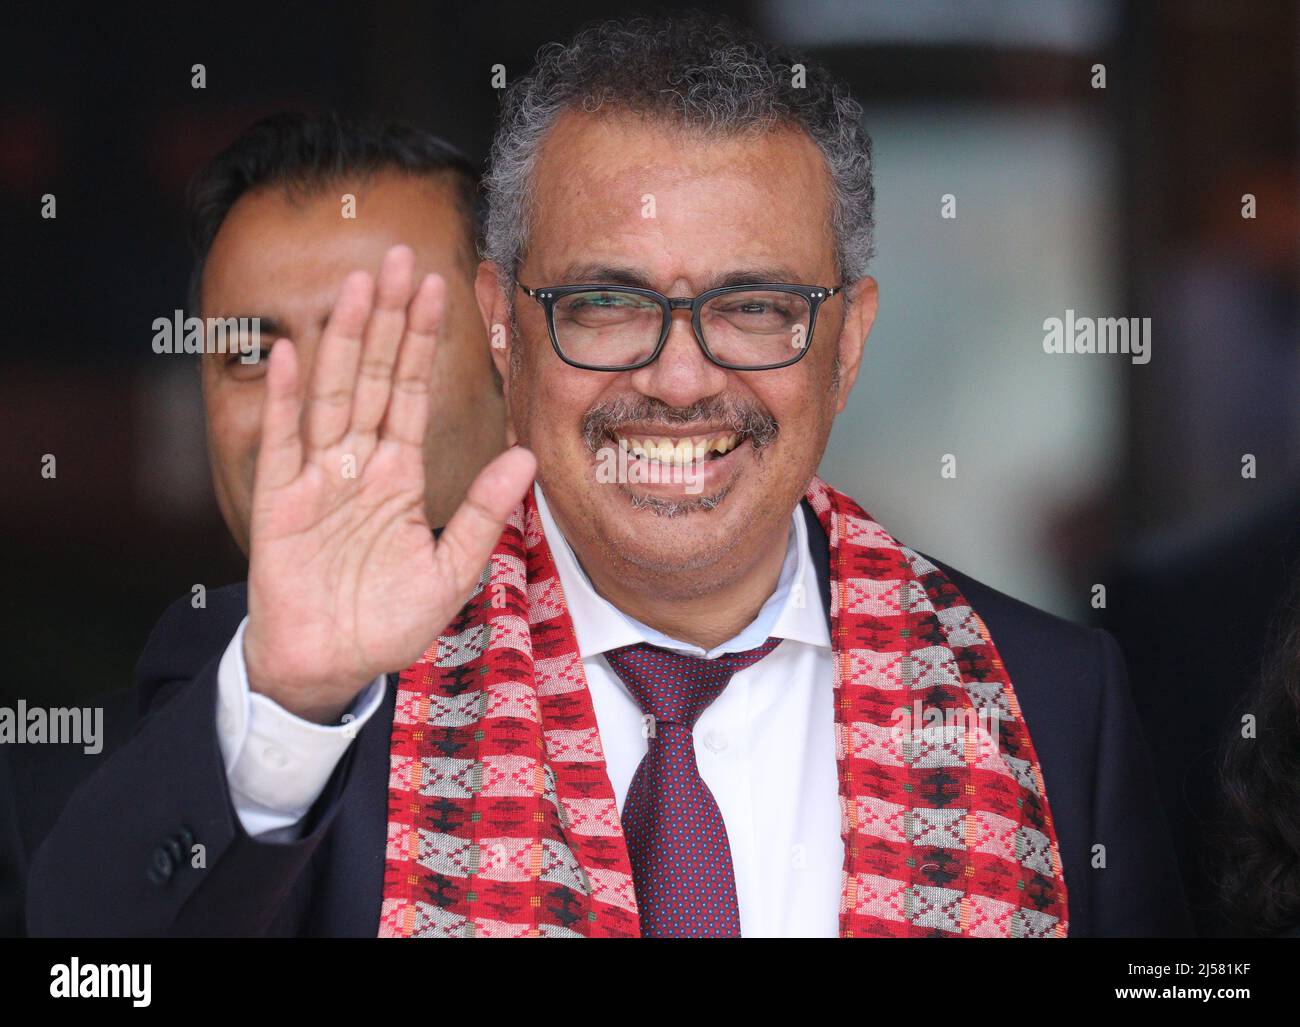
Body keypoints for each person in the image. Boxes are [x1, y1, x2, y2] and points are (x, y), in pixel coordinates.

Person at [27, 15, 1188, 938]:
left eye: (753, 306)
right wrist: (290, 709)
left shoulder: (1049, 701)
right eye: (607, 302)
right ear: (501, 326)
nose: (680, 378)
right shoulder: (323, 681)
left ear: (848, 342)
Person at [7, 110, 506, 931]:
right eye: (251, 352)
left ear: (514, 368)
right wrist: (288, 704)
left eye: (375, 340)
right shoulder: (55, 800)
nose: (309, 402)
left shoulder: (684, 697)